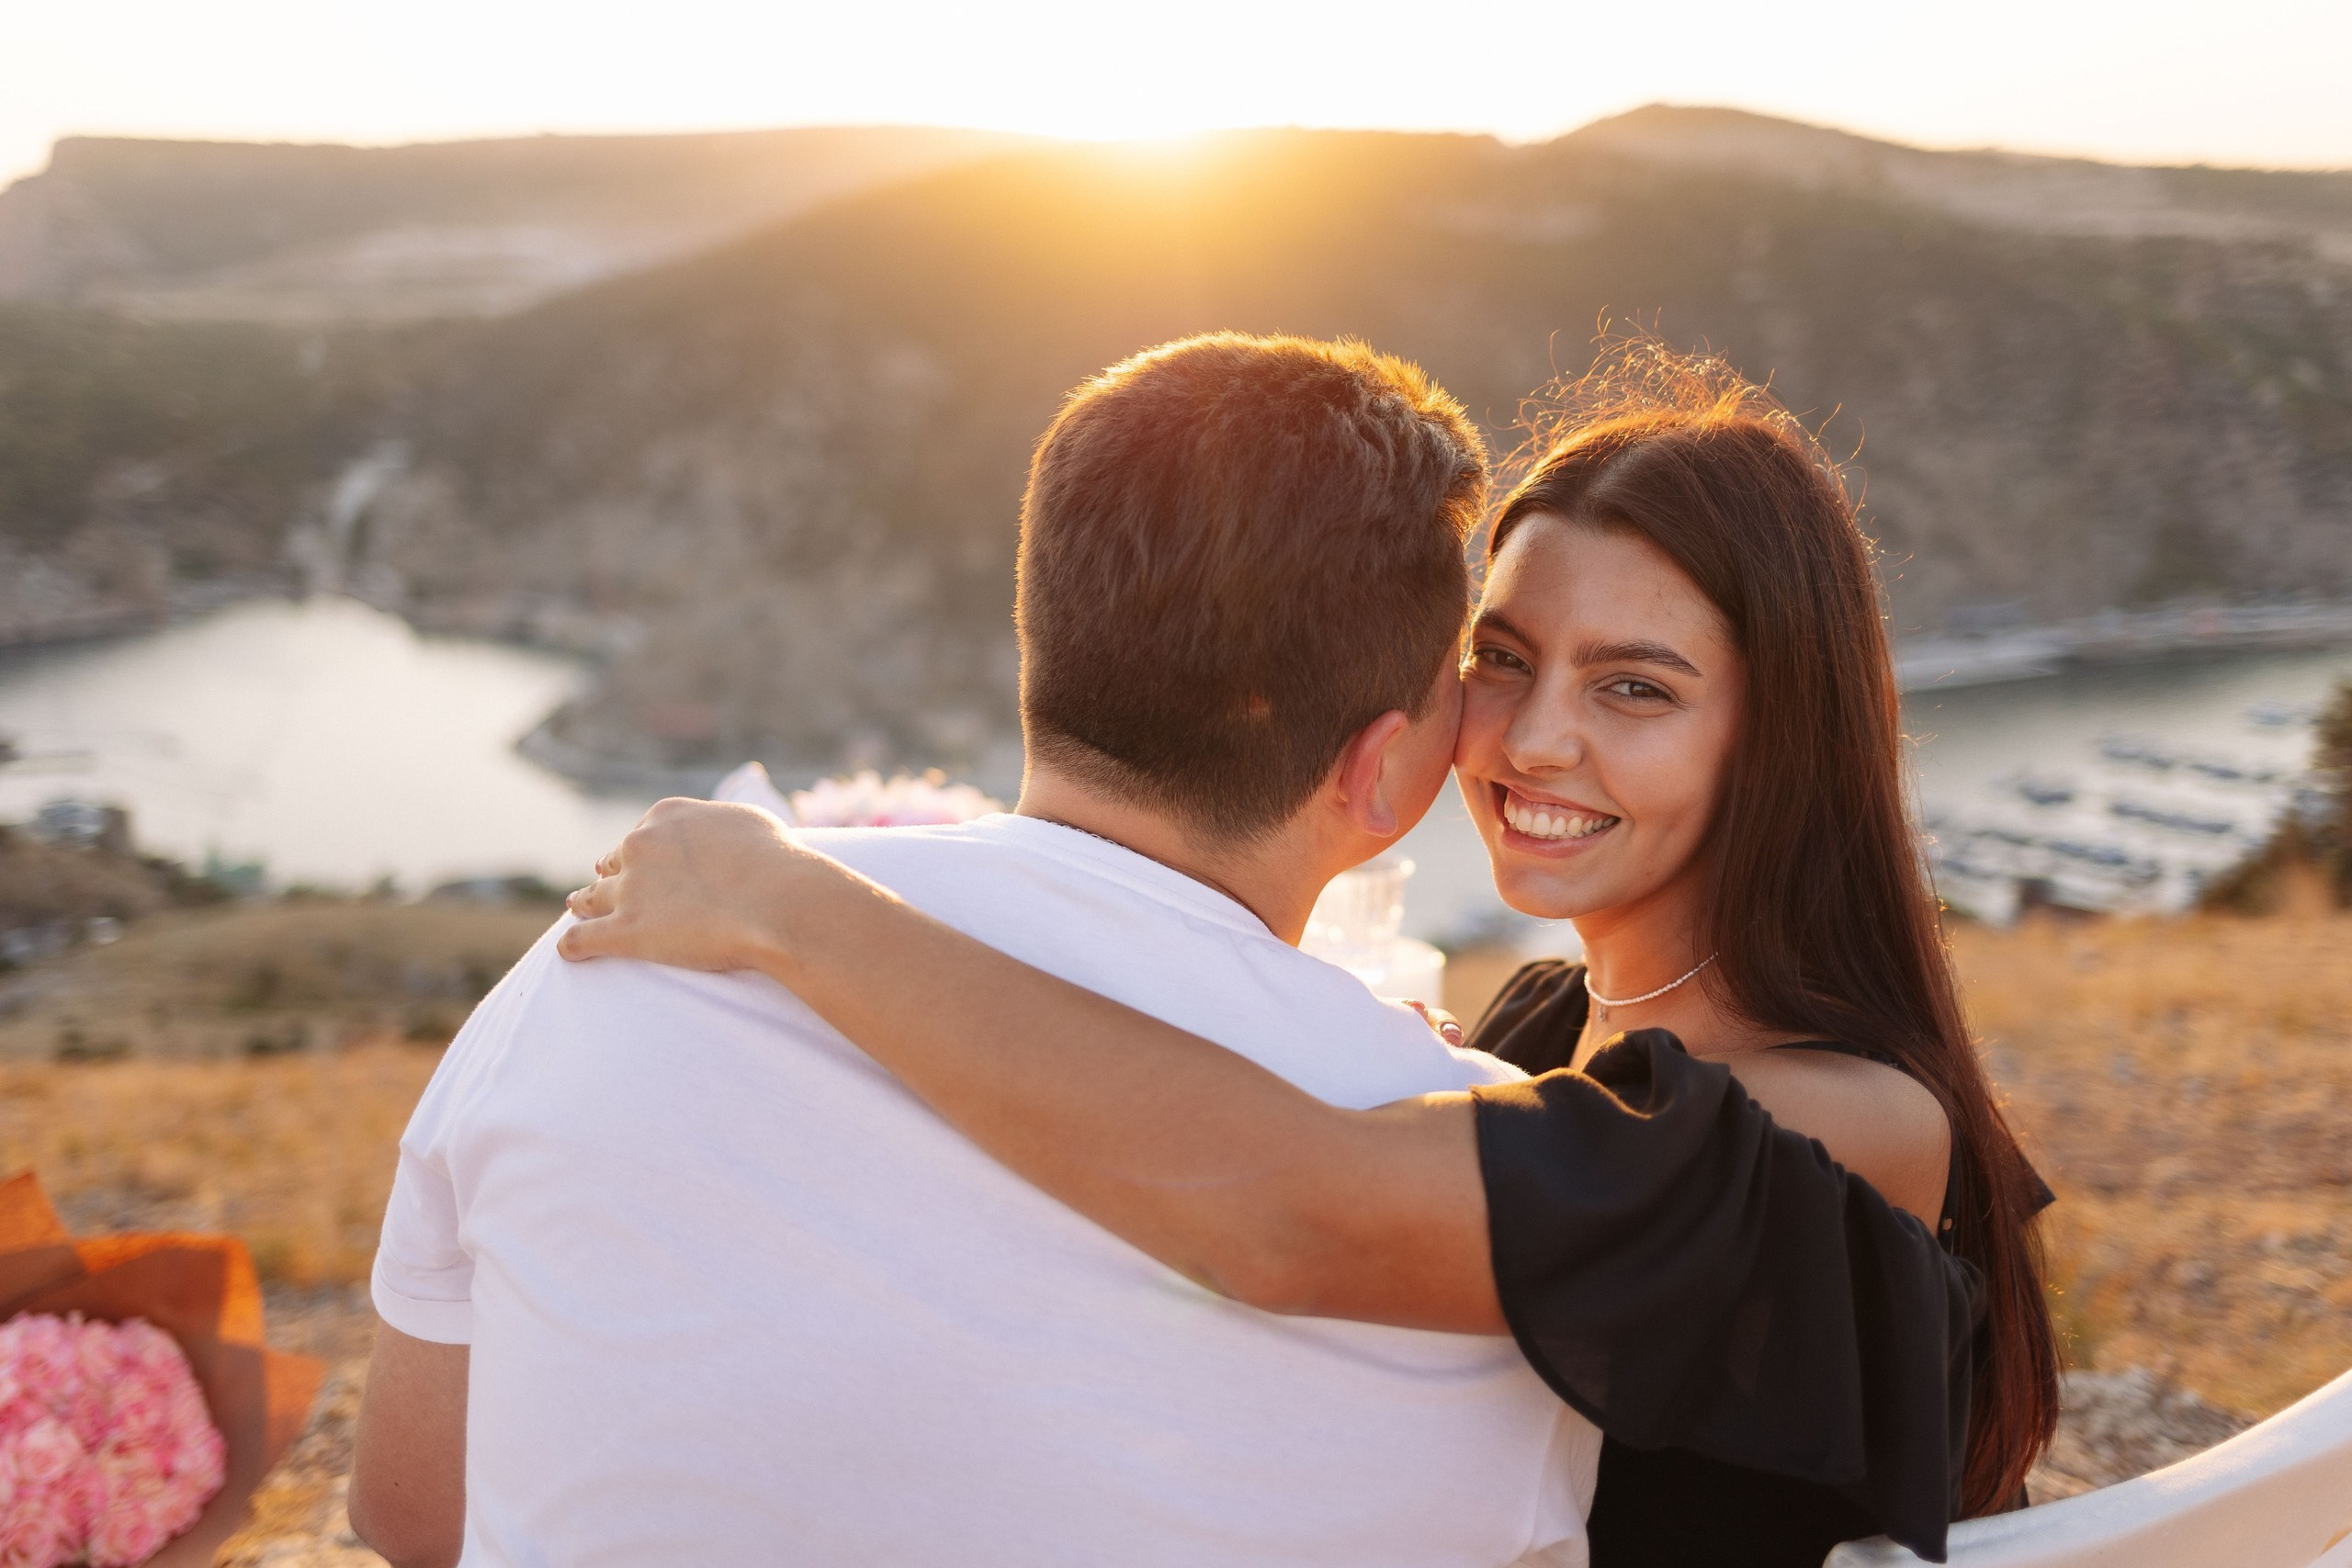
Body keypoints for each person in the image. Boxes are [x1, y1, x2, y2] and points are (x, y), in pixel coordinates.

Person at [559, 343, 2060, 1566]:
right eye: (1503, 660)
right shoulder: (1539, 1022)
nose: (1536, 740)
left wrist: (794, 908)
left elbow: (1282, 1217)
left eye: (1637, 690)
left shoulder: (1847, 1124)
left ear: (1779, 734)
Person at [348, 333, 1609, 1568]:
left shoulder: (620, 948)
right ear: (1381, 767)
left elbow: (410, 1513)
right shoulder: (1478, 1203)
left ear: (1045, 645)